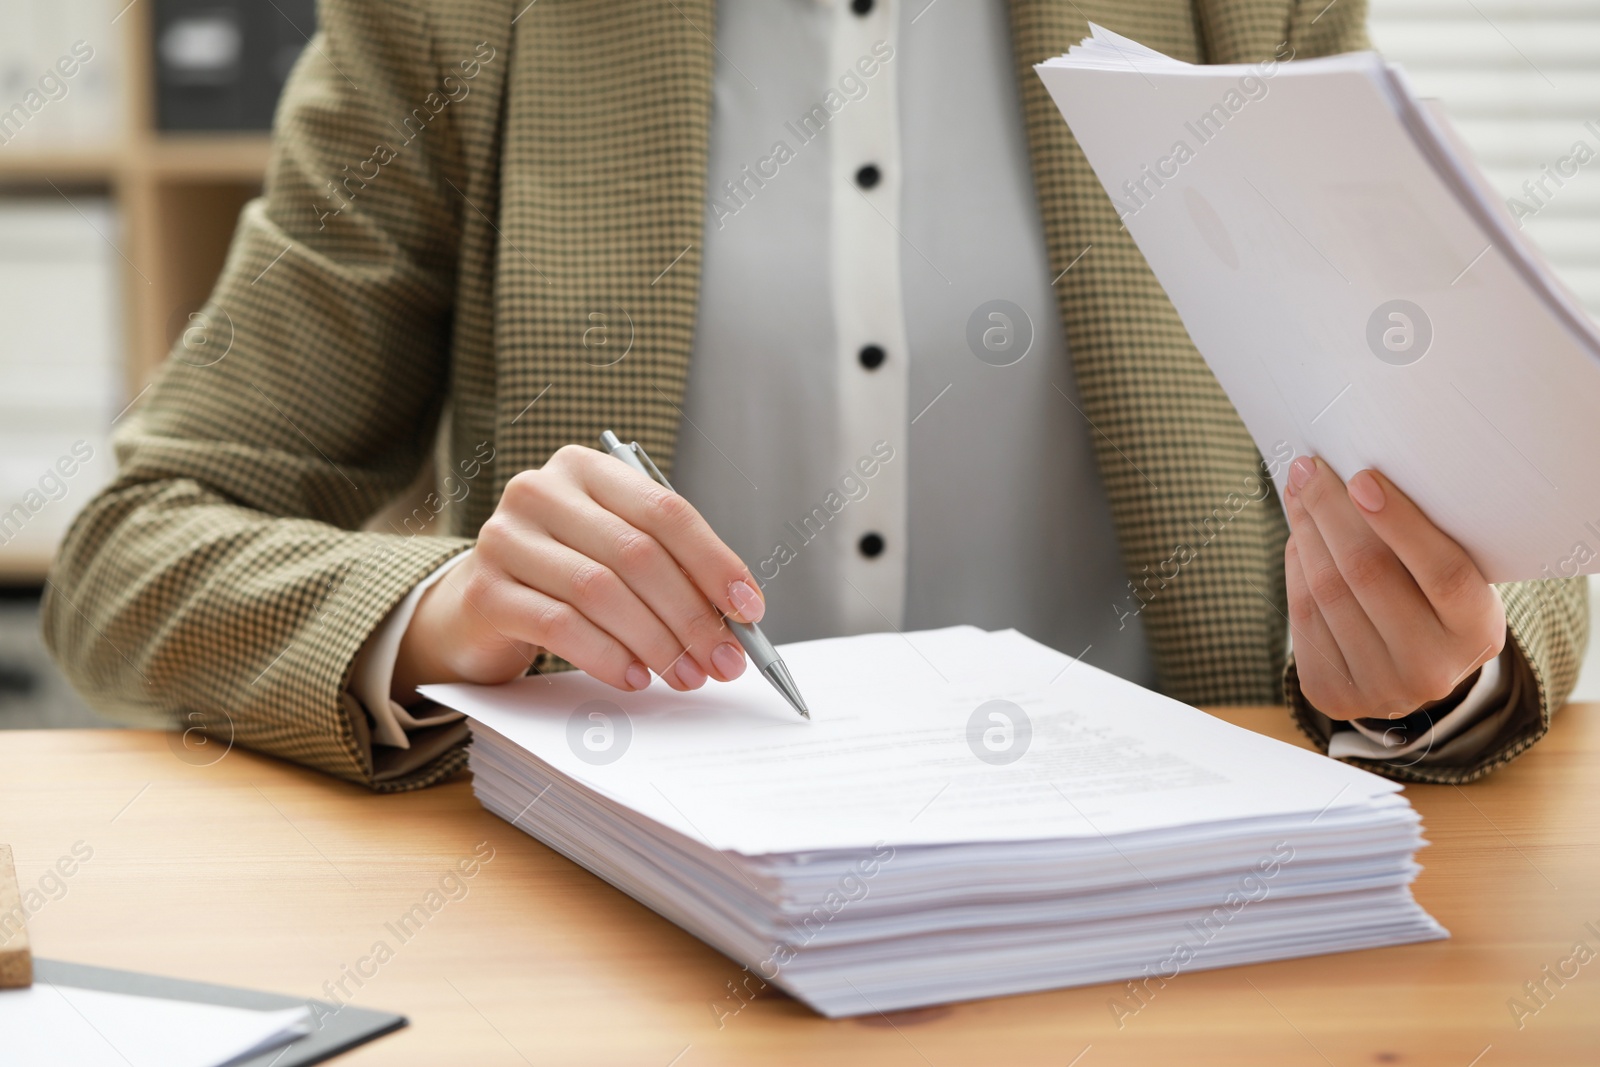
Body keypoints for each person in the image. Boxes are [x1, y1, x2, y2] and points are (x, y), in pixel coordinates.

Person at [44, 0, 1586, 790]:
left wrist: (1441, 668)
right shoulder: (465, 24)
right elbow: (137, 550)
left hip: (1171, 929)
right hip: (618, 954)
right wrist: (443, 611)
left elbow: (1512, 503)